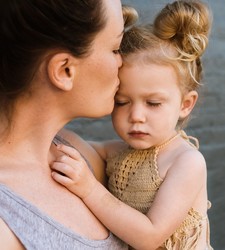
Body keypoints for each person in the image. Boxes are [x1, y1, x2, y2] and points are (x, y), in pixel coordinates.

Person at [51, 0, 214, 249]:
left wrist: (90, 189)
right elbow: (70, 142)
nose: (136, 115)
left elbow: (149, 236)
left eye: (153, 103)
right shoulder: (118, 153)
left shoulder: (186, 162)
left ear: (185, 104)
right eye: (122, 101)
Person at [0, 0, 137, 249]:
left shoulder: (74, 151)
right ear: (64, 70)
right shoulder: (6, 225)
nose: (122, 63)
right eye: (116, 49)